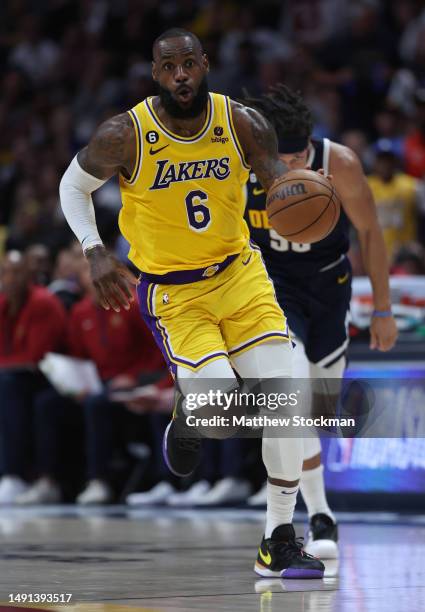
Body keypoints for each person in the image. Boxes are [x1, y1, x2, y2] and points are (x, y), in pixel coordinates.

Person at [59, 28, 325, 579]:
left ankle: (278, 537)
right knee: (220, 404)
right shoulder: (125, 134)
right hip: (176, 293)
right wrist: (95, 251)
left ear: (204, 65)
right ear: (156, 74)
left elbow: (276, 183)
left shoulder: (243, 123)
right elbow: (71, 186)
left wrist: (301, 191)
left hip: (240, 277)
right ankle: (188, 412)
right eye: (169, 67)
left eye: (189, 64)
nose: (181, 75)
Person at [243, 85, 398, 558]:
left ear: (310, 146)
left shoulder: (341, 163)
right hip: (272, 290)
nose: (290, 169)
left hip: (329, 290)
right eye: (281, 160)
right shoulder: (244, 165)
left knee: (318, 413)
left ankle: (319, 514)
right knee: (290, 396)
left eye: (298, 158)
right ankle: (301, 523)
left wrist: (384, 308)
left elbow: (370, 232)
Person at [0, 250, 67, 504]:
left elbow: (36, 357)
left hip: (53, 378)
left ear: (29, 275)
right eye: (6, 272)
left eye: (16, 272)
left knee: (10, 388)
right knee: (7, 385)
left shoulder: (43, 302)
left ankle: (14, 475)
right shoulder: (3, 304)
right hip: (17, 380)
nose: (10, 279)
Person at [368, 139, 423, 263]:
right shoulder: (365, 187)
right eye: (381, 160)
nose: (385, 164)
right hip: (375, 255)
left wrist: (420, 244)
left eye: (389, 160)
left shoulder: (411, 186)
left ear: (396, 161)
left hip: (405, 257)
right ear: (375, 162)